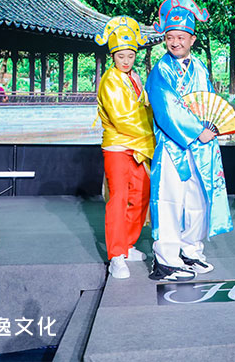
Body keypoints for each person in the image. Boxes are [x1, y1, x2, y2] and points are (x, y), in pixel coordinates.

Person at [145, 0, 232, 282]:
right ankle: (166, 259)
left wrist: (210, 128)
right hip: (173, 145)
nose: (175, 43)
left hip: (202, 146)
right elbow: (166, 109)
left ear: (192, 39)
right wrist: (197, 131)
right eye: (170, 37)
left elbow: (209, 103)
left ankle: (190, 250)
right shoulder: (160, 71)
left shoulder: (200, 68)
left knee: (199, 199)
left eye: (181, 37)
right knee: (170, 200)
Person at [95, 16, 156, 279]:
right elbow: (122, 118)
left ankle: (128, 243)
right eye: (121, 56)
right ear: (113, 56)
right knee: (118, 198)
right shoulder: (110, 79)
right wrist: (153, 136)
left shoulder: (134, 77)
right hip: (119, 146)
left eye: (131, 56)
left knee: (142, 194)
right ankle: (116, 255)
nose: (126, 61)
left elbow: (145, 108)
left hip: (139, 147)